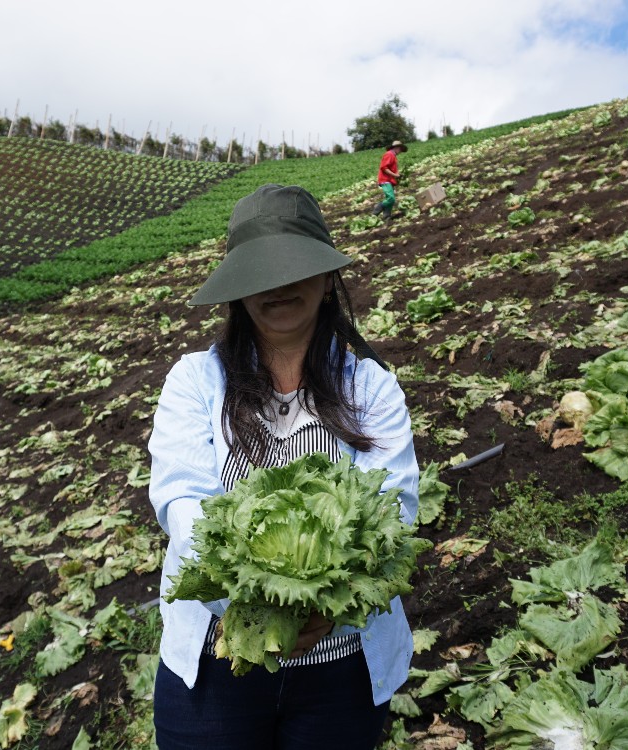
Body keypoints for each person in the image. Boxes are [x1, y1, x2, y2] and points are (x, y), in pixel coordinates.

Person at [148, 183, 420, 750]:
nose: (279, 285)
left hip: (340, 665)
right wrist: (259, 608)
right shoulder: (195, 381)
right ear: (238, 290)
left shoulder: (370, 385)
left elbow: (394, 505)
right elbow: (183, 499)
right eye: (260, 274)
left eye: (296, 267)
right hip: (219, 653)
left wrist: (321, 607)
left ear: (326, 281)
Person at [371, 140, 408, 220]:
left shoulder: (393, 156)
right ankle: (378, 208)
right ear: (396, 148)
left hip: (390, 180)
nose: (400, 151)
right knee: (391, 199)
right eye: (400, 149)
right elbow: (384, 168)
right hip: (385, 180)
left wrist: (397, 175)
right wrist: (395, 175)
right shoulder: (389, 154)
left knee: (390, 199)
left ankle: (386, 216)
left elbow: (392, 169)